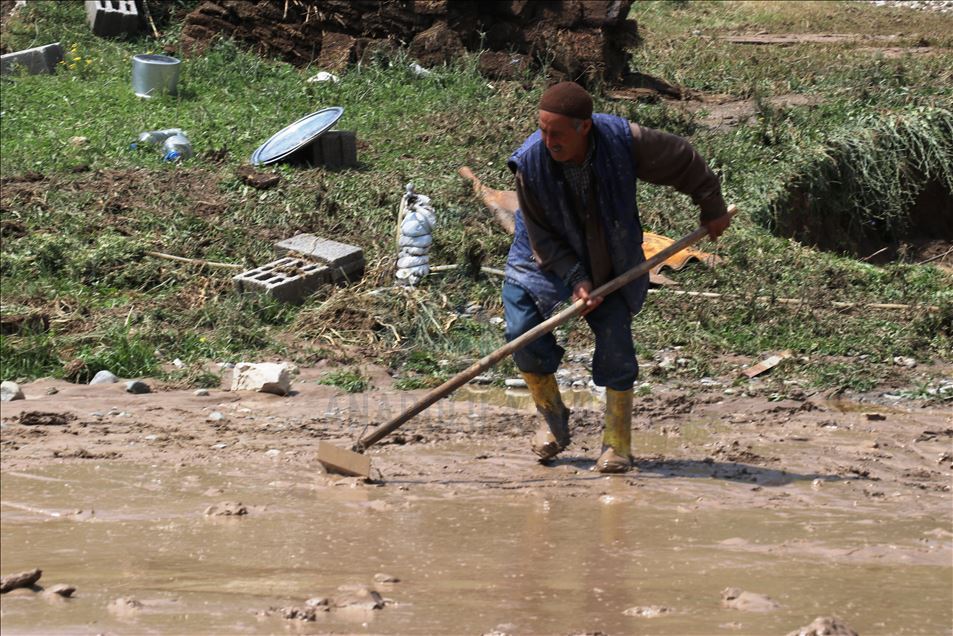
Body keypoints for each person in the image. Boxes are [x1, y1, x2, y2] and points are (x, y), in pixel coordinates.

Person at [503, 81, 731, 473]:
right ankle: (553, 421)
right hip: (544, 251)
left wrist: (711, 204)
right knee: (521, 327)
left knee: (615, 339)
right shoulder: (530, 162)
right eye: (542, 130)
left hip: (608, 248)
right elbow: (541, 234)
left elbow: (682, 158)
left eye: (556, 132)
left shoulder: (624, 141)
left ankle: (617, 443)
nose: (548, 140)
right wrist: (574, 277)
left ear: (584, 128)